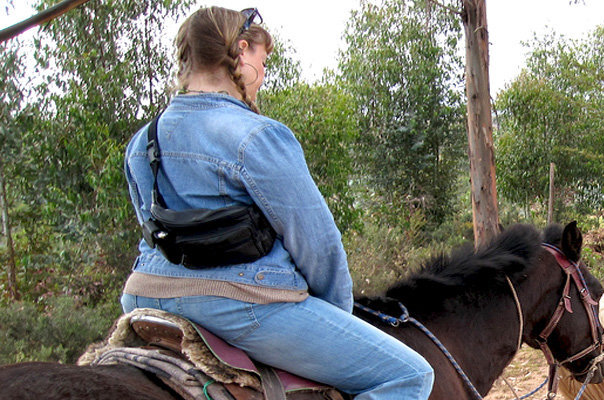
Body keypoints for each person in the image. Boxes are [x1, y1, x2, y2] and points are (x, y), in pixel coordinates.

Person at [120, 7, 434, 399]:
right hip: (243, 306)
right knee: (411, 374)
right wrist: (337, 317)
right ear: (242, 50)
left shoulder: (141, 142)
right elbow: (317, 244)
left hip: (145, 295)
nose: (263, 75)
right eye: (263, 61)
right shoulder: (258, 136)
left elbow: (155, 233)